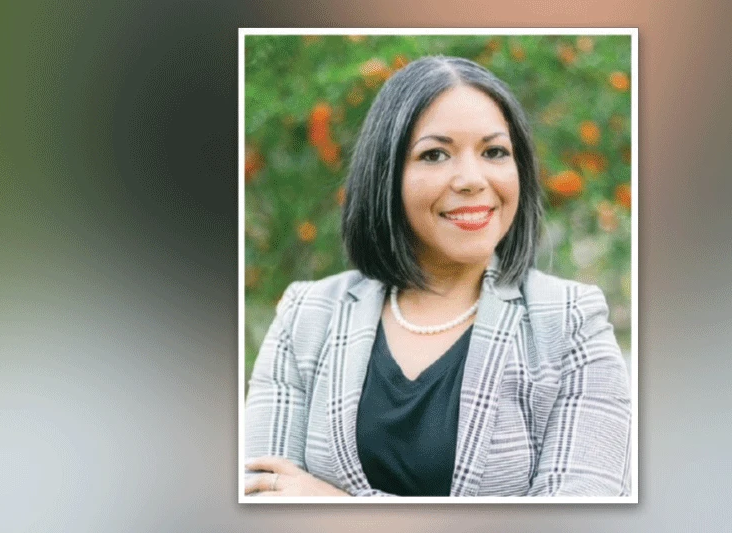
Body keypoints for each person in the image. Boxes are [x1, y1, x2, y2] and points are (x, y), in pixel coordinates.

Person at [244, 56, 631, 497]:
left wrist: (338, 508)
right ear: (386, 175)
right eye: (434, 154)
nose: (471, 179)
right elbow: (263, 502)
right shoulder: (308, 317)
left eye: (494, 152)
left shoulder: (569, 322)